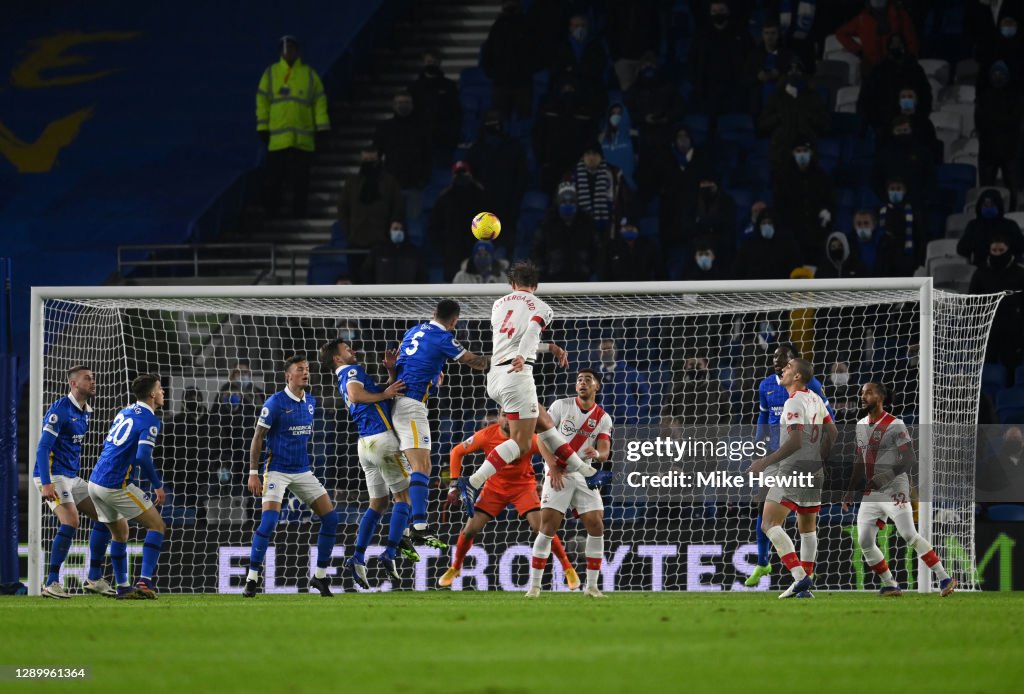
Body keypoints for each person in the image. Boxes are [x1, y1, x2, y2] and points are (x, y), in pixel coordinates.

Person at [457, 261, 610, 512]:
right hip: (517, 375)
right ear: (536, 286)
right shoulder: (542, 307)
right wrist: (522, 354)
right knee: (523, 444)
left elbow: (512, 337)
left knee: (546, 423)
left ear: (512, 284)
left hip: (495, 375)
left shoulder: (498, 305)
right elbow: (529, 332)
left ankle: (588, 472)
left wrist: (547, 347)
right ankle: (473, 481)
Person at [440, 410, 580, 591]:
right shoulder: (487, 435)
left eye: (510, 416)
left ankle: (568, 567)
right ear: (498, 418)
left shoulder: (529, 437)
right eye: (503, 415)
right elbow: (456, 452)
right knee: (469, 530)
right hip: (494, 489)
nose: (507, 420)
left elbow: (553, 454)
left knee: (542, 529)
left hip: (523, 487)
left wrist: (552, 473)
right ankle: (455, 567)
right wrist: (453, 484)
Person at [393, 300, 491, 547]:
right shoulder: (443, 337)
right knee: (422, 466)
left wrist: (433, 377)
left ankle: (405, 532)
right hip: (411, 406)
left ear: (433, 313)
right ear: (454, 321)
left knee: (410, 472)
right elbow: (475, 362)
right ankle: (419, 526)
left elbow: (404, 364)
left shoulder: (413, 330)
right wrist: (505, 359)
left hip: (398, 402)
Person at [843, 382, 957, 596]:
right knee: (865, 540)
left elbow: (908, 459)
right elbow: (860, 460)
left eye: (868, 392)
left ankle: (944, 578)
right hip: (871, 492)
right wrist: (849, 491)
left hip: (894, 487)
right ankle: (890, 583)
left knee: (908, 534)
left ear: (880, 397)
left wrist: (883, 477)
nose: (863, 396)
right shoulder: (860, 425)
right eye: (862, 393)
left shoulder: (896, 425)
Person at [320, 339, 416, 587]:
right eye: (346, 349)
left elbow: (376, 394)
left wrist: (390, 373)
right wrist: (384, 393)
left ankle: (358, 556)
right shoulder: (352, 372)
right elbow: (358, 394)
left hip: (365, 445)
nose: (352, 350)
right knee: (404, 499)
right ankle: (390, 552)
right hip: (382, 440)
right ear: (337, 359)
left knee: (378, 503)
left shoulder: (345, 375)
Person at [243, 356, 339, 598]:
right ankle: (252, 578)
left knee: (331, 519)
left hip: (303, 471)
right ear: (288, 375)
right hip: (276, 471)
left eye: (307, 369)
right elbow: (257, 438)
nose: (306, 373)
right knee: (268, 523)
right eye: (300, 370)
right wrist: (253, 473)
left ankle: (319, 577)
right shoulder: (275, 403)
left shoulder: (311, 402)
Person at [745, 344, 834, 587]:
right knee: (767, 507)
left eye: (784, 359)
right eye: (775, 357)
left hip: (789, 458)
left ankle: (801, 575)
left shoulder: (809, 389)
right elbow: (764, 416)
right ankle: (765, 563)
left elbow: (829, 421)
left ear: (794, 366)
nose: (778, 361)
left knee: (784, 519)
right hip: (778, 453)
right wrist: (758, 444)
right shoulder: (766, 385)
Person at [526, 369, 613, 598]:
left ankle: (592, 587)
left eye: (588, 380)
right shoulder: (560, 406)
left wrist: (598, 454)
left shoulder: (603, 417)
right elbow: (541, 437)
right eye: (579, 380)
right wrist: (551, 466)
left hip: (584, 473)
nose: (582, 383)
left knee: (596, 525)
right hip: (559, 473)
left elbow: (605, 451)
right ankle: (534, 587)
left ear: (597, 387)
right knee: (548, 528)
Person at [33, 366, 114, 598]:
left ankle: (94, 578)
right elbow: (43, 448)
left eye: (93, 377)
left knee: (106, 514)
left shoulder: (86, 411)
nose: (93, 381)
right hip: (51, 475)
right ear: (74, 384)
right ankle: (51, 582)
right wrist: (47, 483)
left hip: (71, 476)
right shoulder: (60, 410)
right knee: (71, 521)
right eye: (88, 378)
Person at [88, 374, 168, 599]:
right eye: (160, 389)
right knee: (157, 526)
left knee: (121, 532)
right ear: (152, 394)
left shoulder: (125, 411)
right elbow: (143, 456)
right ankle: (144, 582)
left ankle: (123, 587)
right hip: (116, 484)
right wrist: (158, 485)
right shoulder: (151, 420)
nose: (163, 392)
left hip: (95, 480)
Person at [257, 36, 330, 218]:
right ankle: (272, 214)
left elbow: (319, 101)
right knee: (274, 180)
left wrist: (322, 127)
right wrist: (262, 127)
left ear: (297, 51)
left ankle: (298, 214)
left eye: (291, 48)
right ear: (280, 52)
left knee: (301, 181)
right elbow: (262, 101)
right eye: (284, 48)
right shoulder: (271, 73)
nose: (288, 51)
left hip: (302, 141)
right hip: (277, 140)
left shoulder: (309, 74)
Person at [339, 148, 405, 280]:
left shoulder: (389, 182)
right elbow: (343, 210)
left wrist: (391, 230)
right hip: (356, 243)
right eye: (366, 160)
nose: (368, 163)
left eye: (372, 160)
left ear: (379, 160)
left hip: (381, 243)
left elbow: (398, 208)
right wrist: (349, 234)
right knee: (357, 281)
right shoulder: (352, 183)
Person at [466, 110, 529, 250]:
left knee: (506, 251)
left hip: (508, 207)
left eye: (496, 121)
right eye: (490, 121)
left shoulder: (514, 147)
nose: (493, 125)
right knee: (483, 250)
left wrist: (514, 199)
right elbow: (469, 177)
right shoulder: (476, 148)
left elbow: (522, 176)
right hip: (482, 209)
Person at [857, 33, 932, 137]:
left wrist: (918, 118)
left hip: (912, 124)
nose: (896, 47)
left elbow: (926, 97)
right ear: (888, 47)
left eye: (899, 44)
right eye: (893, 44)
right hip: (884, 126)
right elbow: (866, 99)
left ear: (904, 46)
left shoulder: (915, 70)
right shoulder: (878, 71)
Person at [374, 91, 432, 222]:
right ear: (393, 105)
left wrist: (423, 179)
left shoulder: (421, 127)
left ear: (412, 105)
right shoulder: (384, 128)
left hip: (414, 185)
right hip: (391, 184)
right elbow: (376, 155)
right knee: (391, 221)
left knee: (413, 223)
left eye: (406, 102)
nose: (403, 105)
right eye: (399, 102)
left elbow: (428, 155)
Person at [772, 141, 835, 262]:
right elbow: (779, 206)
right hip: (792, 235)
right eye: (798, 151)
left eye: (805, 151)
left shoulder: (822, 177)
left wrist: (828, 213)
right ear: (793, 153)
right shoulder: (784, 178)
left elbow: (830, 202)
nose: (802, 154)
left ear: (811, 152)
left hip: (817, 235)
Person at [429, 160, 492, 280]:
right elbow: (434, 227)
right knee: (453, 290)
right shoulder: (444, 198)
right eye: (458, 174)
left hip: (476, 252)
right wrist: (444, 248)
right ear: (453, 176)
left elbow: (491, 223)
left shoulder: (481, 196)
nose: (461, 176)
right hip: (452, 253)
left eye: (464, 173)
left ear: (470, 174)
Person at [688, 1, 753, 117]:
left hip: (735, 91)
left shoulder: (742, 35)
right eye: (714, 11)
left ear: (728, 12)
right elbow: (692, 62)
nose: (718, 14)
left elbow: (751, 61)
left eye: (721, 10)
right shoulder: (701, 36)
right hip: (707, 92)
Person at [969, 235, 1024, 370]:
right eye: (994, 250)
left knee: (1011, 365)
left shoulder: (1020, 273)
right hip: (987, 326)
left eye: (1001, 250)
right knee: (987, 366)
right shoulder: (980, 272)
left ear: (1008, 250)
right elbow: (972, 302)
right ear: (990, 250)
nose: (998, 254)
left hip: (1013, 327)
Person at [531, 182, 602, 282]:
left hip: (582, 281)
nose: (567, 204)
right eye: (563, 201)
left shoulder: (587, 223)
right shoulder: (547, 224)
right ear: (558, 202)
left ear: (576, 202)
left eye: (571, 201)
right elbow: (537, 252)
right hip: (553, 280)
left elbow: (597, 251)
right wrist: (543, 273)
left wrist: (590, 270)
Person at [757, 73, 830, 171]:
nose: (794, 72)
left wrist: (808, 116)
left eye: (798, 69)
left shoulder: (813, 97)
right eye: (791, 69)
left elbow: (825, 124)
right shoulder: (776, 97)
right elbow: (762, 124)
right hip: (781, 147)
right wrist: (779, 117)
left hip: (804, 146)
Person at [976, 62, 1024, 210]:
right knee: (986, 190)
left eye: (1001, 74)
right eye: (995, 73)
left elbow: (1016, 122)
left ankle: (1012, 214)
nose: (998, 77)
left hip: (1010, 150)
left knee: (1013, 189)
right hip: (988, 150)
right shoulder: (984, 97)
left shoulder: (1015, 98)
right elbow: (980, 123)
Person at [481, 0, 537, 119]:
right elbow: (535, 51)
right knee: (523, 120)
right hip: (520, 80)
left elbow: (488, 51)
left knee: (501, 120)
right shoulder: (527, 25)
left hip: (504, 80)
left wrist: (491, 72)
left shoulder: (498, 25)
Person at [835, 0, 920, 76]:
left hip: (897, 69)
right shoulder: (862, 18)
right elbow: (841, 33)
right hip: (871, 70)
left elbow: (912, 42)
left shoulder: (900, 15)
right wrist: (858, 50)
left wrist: (909, 64)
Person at [407, 49, 462, 160]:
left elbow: (455, 111)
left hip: (444, 137)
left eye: (434, 61)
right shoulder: (414, 87)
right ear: (424, 63)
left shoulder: (449, 85)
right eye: (428, 61)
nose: (431, 64)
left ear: (439, 63)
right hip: (421, 137)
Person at [569, 142, 627, 239]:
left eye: (595, 154)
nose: (591, 157)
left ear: (601, 156)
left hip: (608, 230)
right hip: (580, 231)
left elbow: (625, 201)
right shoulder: (571, 176)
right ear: (582, 157)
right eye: (588, 153)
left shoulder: (614, 174)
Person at [595, 336, 655, 425]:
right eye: (604, 349)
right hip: (603, 424)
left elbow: (645, 395)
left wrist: (635, 414)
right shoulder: (593, 375)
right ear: (599, 353)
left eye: (610, 348)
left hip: (627, 424)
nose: (607, 351)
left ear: (615, 351)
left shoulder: (630, 372)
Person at [957, 188, 1024, 265]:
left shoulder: (1010, 225)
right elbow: (962, 249)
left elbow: (1020, 247)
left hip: (1007, 269)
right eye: (985, 205)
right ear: (980, 206)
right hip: (981, 269)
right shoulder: (973, 225)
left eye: (992, 205)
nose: (988, 208)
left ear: (999, 206)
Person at [549, 14, 609, 100]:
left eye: (583, 26)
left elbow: (596, 68)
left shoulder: (596, 46)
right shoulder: (561, 45)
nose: (580, 29)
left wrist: (573, 69)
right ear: (570, 27)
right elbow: (557, 68)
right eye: (576, 26)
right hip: (565, 85)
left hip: (590, 86)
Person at [606, 0, 661, 91]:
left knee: (646, 92)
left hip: (645, 57)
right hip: (623, 58)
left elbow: (656, 30)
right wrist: (615, 56)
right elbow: (611, 30)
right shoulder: (616, 4)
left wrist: (653, 53)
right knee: (628, 93)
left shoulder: (649, 4)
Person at [734, 206, 802, 279]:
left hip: (781, 287)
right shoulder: (748, 246)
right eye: (763, 223)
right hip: (755, 287)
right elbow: (739, 270)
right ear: (758, 225)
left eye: (769, 223)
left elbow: (795, 267)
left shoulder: (787, 245)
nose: (767, 225)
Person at [744, 18, 794, 116]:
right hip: (758, 107)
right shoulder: (754, 55)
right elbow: (745, 78)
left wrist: (780, 74)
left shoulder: (788, 55)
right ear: (762, 35)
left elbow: (796, 75)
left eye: (773, 33)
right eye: (766, 33)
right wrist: (757, 77)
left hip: (782, 106)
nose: (769, 37)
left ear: (778, 35)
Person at [598, 103, 638, 191]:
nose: (616, 116)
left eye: (619, 113)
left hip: (627, 183)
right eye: (613, 113)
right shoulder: (602, 136)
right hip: (607, 183)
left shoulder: (631, 133)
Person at [848, 208, 893, 276]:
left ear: (874, 225)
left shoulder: (885, 243)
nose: (862, 227)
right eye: (859, 224)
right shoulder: (848, 245)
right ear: (854, 226)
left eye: (866, 223)